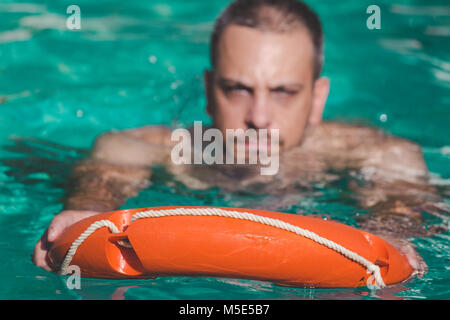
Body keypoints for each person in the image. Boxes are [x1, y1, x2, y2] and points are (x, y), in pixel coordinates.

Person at [33, 0, 443, 274]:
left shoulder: (365, 153)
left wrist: (392, 227)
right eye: (238, 89)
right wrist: (86, 206)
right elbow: (114, 156)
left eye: (283, 92)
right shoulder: (175, 150)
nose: (259, 117)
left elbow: (397, 179)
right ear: (210, 92)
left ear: (318, 100)